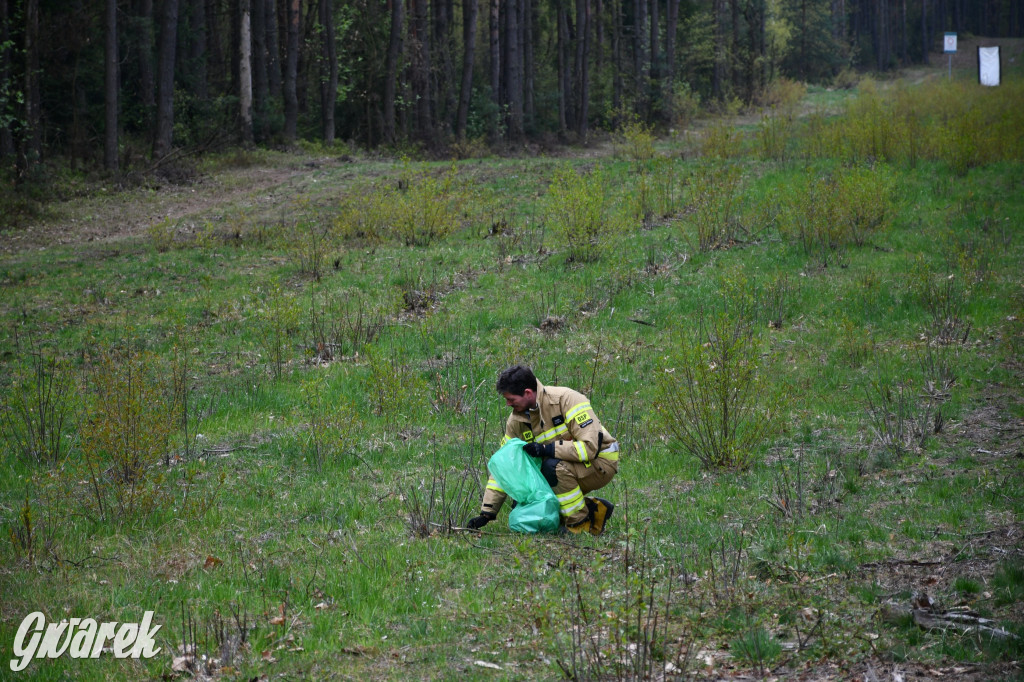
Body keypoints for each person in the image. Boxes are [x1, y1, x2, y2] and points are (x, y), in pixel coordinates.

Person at [467, 365, 619, 535]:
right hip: (567, 465)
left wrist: (547, 449)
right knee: (525, 503)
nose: (508, 404)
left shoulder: (566, 399)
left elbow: (589, 448)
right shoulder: (516, 421)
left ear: (527, 393)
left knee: (552, 468)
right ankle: (595, 509)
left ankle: (580, 523)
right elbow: (506, 467)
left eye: (511, 399)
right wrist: (487, 512)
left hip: (601, 462)